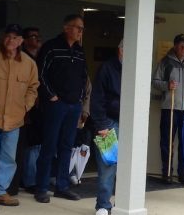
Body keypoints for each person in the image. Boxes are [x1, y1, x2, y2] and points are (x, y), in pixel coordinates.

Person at [0, 24, 39, 211]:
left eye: (15, 37)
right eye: (8, 36)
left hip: (15, 120)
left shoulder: (29, 63)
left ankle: (0, 191)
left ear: (21, 41)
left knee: (8, 159)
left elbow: (33, 88)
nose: (10, 41)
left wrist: (25, 106)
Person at [34, 14, 89, 203]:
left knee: (67, 147)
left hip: (74, 105)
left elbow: (84, 77)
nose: (80, 31)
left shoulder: (80, 51)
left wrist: (80, 99)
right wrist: (51, 96)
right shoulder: (51, 47)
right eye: (78, 27)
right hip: (56, 105)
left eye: (82, 28)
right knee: (49, 146)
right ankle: (41, 187)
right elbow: (40, 75)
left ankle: (62, 186)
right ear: (66, 27)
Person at [151, 33, 184, 185]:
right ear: (175, 46)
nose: (183, 48)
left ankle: (183, 173)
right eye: (180, 45)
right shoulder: (165, 62)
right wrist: (167, 85)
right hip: (170, 108)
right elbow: (155, 81)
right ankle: (166, 172)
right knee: (167, 142)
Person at [90, 39, 124, 215]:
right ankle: (103, 205)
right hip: (108, 122)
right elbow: (97, 99)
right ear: (120, 51)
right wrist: (101, 125)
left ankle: (124, 204)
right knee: (107, 164)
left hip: (130, 123)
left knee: (128, 165)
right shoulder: (107, 68)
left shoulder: (136, 67)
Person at [18, 27, 42, 193]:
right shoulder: (21, 58)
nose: (36, 40)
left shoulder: (40, 58)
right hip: (24, 108)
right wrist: (26, 108)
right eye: (32, 37)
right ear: (24, 40)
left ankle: (33, 178)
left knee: (37, 143)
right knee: (27, 145)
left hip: (39, 106)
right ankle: (28, 180)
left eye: (37, 37)